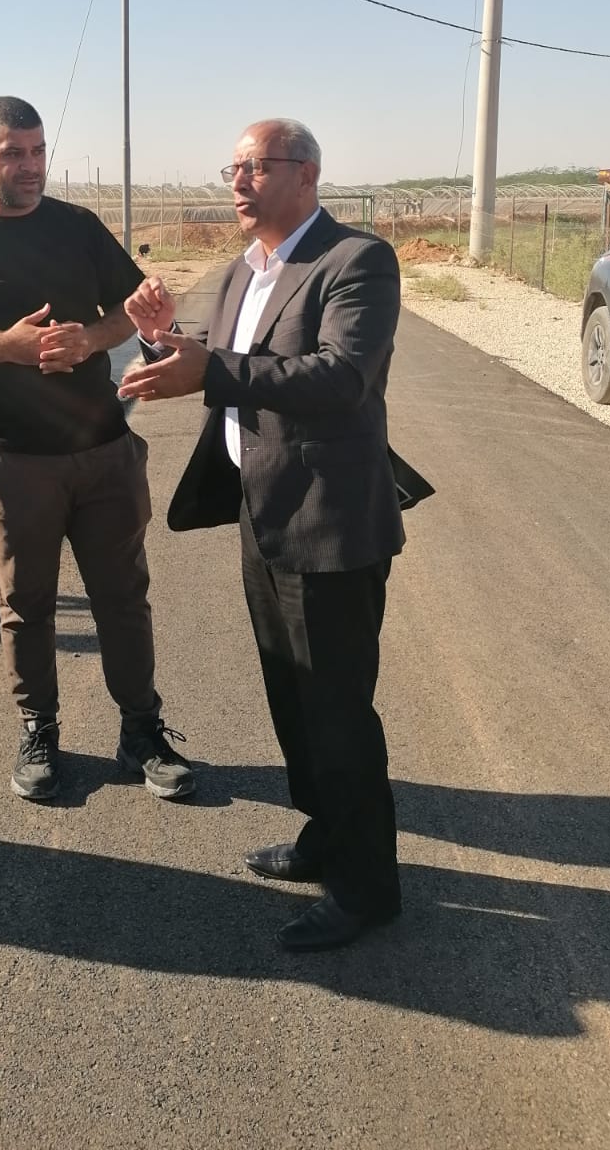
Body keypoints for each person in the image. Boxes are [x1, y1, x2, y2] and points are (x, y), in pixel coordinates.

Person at [120, 118, 427, 951]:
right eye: (233, 168)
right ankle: (325, 837)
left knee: (337, 713)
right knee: (292, 701)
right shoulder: (239, 272)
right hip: (263, 515)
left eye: (255, 166)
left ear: (306, 174)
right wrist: (160, 337)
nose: (238, 181)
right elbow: (224, 361)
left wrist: (209, 370)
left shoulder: (356, 261)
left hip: (330, 525)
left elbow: (341, 376)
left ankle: (367, 890)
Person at [0, 96, 194, 802]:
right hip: (10, 459)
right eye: (13, 154)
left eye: (38, 151)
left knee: (123, 596)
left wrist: (92, 339)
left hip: (102, 448)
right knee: (26, 601)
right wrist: (9, 345)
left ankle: (141, 731)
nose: (30, 166)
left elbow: (131, 310)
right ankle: (39, 730)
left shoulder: (78, 228)